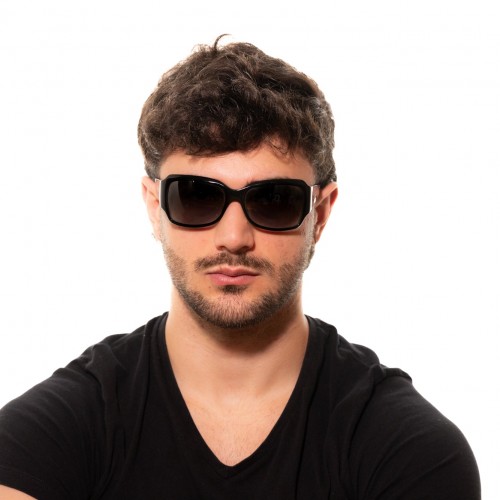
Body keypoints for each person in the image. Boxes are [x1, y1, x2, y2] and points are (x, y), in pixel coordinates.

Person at [0, 36, 480, 500]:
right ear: (154, 206)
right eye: (196, 197)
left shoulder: (410, 452)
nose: (233, 237)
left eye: (273, 201)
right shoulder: (47, 437)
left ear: (320, 213)